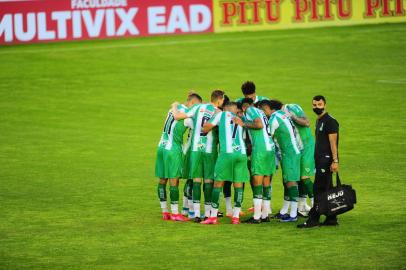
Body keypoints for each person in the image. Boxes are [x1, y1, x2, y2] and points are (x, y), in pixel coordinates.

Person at [171, 90, 225, 222]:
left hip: (195, 149)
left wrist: (174, 106)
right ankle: (207, 214)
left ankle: (194, 213)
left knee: (196, 180)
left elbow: (177, 117)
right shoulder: (219, 113)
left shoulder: (197, 107)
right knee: (208, 181)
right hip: (209, 150)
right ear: (219, 100)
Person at [200, 102, 250, 225]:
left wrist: (214, 126)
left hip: (226, 154)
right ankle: (236, 217)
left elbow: (205, 128)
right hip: (241, 154)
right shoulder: (240, 119)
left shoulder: (221, 115)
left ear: (225, 108)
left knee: (218, 183)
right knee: (238, 184)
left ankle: (213, 217)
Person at [155, 94, 202, 221]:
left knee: (162, 180)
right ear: (192, 103)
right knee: (174, 180)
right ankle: (175, 213)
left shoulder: (173, 109)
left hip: (161, 147)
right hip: (173, 149)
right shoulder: (188, 117)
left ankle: (165, 211)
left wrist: (175, 105)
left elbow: (175, 112)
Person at [298, 95, 340, 228]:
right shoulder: (319, 120)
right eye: (314, 105)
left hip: (326, 160)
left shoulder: (330, 121)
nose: (317, 107)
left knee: (318, 189)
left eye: (319, 105)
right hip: (320, 160)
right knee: (328, 189)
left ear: (325, 105)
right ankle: (332, 218)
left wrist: (335, 160)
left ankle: (313, 219)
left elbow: (333, 143)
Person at [258, 100, 301, 222]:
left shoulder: (274, 118)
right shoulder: (282, 115)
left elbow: (268, 136)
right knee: (287, 181)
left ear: (267, 108)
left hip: (290, 154)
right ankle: (284, 211)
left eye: (263, 110)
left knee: (291, 182)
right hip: (291, 152)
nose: (263, 113)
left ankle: (293, 214)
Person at [235, 98, 276, 223]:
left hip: (260, 149)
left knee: (257, 181)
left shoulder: (250, 110)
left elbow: (259, 125)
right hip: (270, 148)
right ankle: (265, 215)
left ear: (243, 108)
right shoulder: (261, 112)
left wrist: (243, 123)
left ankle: (257, 217)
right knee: (266, 182)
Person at [283, 103, 315, 216]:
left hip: (306, 146)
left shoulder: (290, 107)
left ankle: (316, 204)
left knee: (304, 176)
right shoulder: (278, 116)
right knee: (298, 177)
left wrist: (292, 117)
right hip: (298, 149)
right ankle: (302, 206)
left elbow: (306, 122)